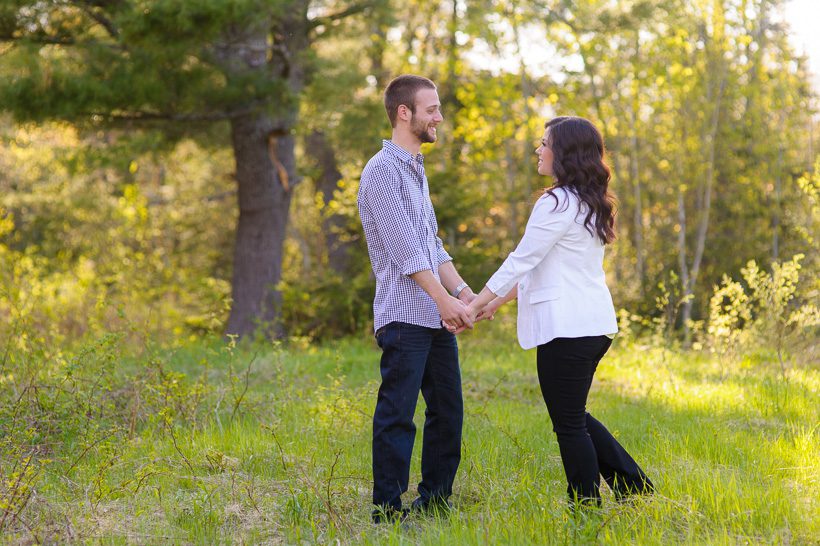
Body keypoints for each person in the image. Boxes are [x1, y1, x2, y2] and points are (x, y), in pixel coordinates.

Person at [464, 116, 654, 507]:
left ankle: (585, 505)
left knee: (568, 423)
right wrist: (495, 302)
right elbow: (542, 266)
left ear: (564, 151)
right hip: (591, 327)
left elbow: (521, 260)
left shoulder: (556, 202)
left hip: (568, 329)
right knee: (574, 416)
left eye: (545, 142)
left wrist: (474, 304)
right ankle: (633, 486)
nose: (538, 148)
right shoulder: (586, 201)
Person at [357, 74, 475, 523]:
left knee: (447, 411)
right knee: (398, 415)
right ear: (404, 113)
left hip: (434, 314)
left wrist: (464, 294)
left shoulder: (415, 169)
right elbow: (407, 252)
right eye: (432, 109)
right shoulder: (382, 171)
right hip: (404, 318)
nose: (439, 117)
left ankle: (435, 502)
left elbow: (433, 246)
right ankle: (387, 510)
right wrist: (446, 302)